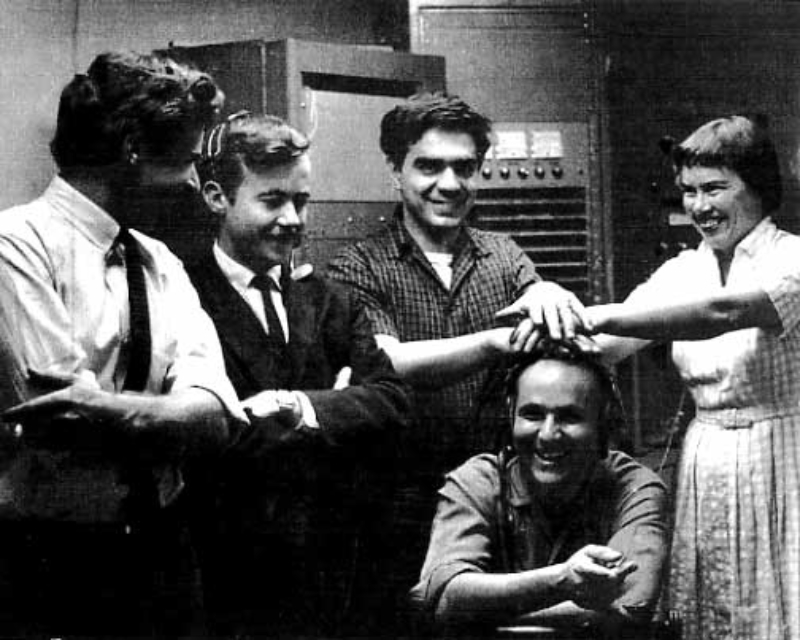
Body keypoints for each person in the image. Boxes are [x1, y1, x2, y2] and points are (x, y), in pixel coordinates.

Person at [0, 51, 245, 638]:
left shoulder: (158, 260)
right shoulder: (16, 245)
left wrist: (120, 412)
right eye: (186, 159)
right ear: (133, 147)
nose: (192, 180)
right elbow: (63, 419)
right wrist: (172, 413)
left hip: (163, 553)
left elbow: (216, 415)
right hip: (51, 560)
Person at [327, 92, 586, 628]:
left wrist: (550, 294)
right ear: (394, 170)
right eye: (428, 166)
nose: (449, 183)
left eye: (463, 167)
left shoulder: (506, 256)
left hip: (499, 511)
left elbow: (553, 345)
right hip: (396, 512)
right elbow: (386, 361)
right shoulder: (357, 267)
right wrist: (491, 343)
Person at [184, 112, 410, 638]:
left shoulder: (328, 300)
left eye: (301, 202)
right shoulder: (181, 295)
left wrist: (300, 409)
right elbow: (213, 444)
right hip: (231, 580)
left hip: (335, 577)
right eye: (272, 201)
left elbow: (394, 404)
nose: (293, 219)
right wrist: (338, 412)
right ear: (218, 197)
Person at [582, 115, 800, 639]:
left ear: (757, 187)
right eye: (688, 191)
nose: (699, 206)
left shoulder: (792, 257)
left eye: (715, 188)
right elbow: (605, 346)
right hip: (706, 462)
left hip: (786, 458)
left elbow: (723, 313)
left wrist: (597, 313)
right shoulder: (682, 271)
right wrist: (552, 312)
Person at [411, 338, 669, 638]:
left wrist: (483, 612)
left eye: (569, 417)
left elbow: (628, 609)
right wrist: (561, 580)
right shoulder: (477, 481)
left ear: (602, 423)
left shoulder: (635, 487)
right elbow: (443, 597)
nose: (547, 435)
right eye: (532, 414)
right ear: (511, 416)